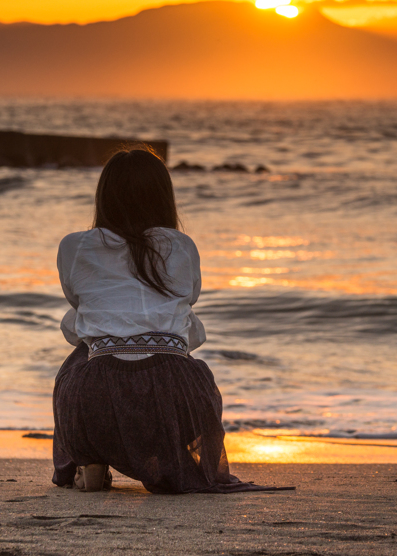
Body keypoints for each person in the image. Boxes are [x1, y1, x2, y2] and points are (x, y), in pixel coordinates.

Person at [50, 146, 281, 494]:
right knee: (182, 362)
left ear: (104, 197)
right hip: (173, 398)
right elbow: (188, 304)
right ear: (163, 198)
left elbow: (81, 308)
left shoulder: (74, 246)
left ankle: (89, 459)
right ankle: (169, 457)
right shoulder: (182, 247)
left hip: (96, 399)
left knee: (80, 360)